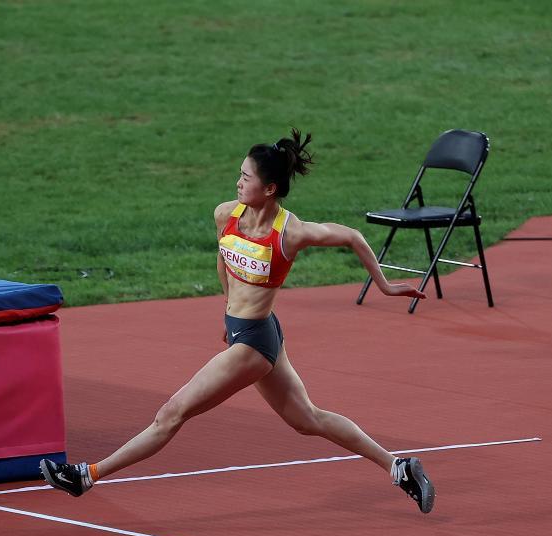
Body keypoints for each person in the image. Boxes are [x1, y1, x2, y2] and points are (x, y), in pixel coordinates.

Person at [40, 129, 435, 514]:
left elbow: (350, 236)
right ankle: (397, 466)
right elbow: (223, 257)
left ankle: (85, 476)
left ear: (270, 189)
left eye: (247, 177)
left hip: (256, 342)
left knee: (171, 413)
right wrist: (227, 308)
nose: (238, 181)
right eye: (240, 174)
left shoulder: (290, 233)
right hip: (245, 332)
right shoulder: (226, 214)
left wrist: (383, 285)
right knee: (308, 419)